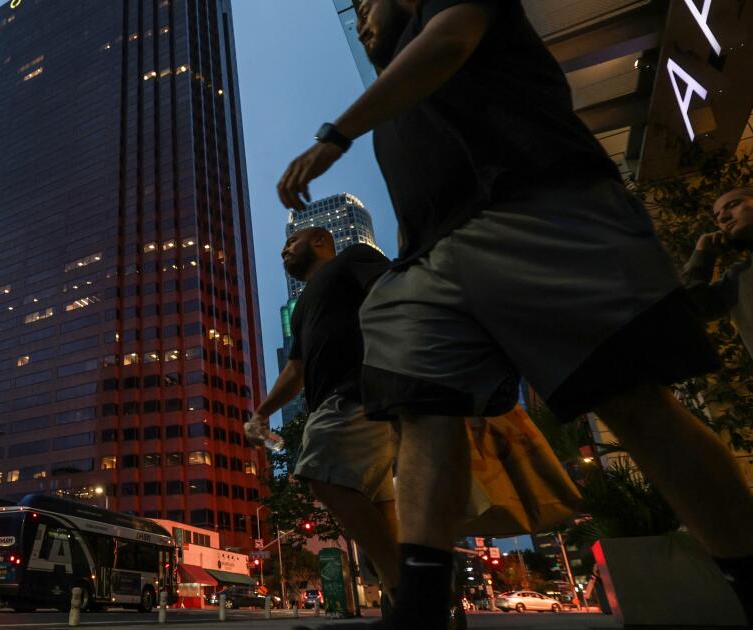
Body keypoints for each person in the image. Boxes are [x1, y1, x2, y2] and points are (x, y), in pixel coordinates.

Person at [277, 1, 753, 627]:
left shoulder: (443, 22)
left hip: (538, 207)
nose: (362, 17)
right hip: (432, 257)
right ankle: (419, 609)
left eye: (369, 2)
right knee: (422, 412)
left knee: (634, 404)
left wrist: (336, 135)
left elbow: (451, 39)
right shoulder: (396, 85)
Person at [246, 229, 399, 598]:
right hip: (357, 405)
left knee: (321, 475)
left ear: (319, 242)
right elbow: (295, 369)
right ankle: (412, 603)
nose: (283, 249)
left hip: (353, 394)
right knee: (382, 509)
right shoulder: (301, 308)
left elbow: (396, 292)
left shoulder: (352, 258)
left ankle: (409, 587)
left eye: (291, 242)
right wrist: (261, 413)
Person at [684, 187, 753, 357]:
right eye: (717, 216)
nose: (723, 217)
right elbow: (688, 310)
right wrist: (701, 257)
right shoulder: (738, 278)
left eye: (733, 204)